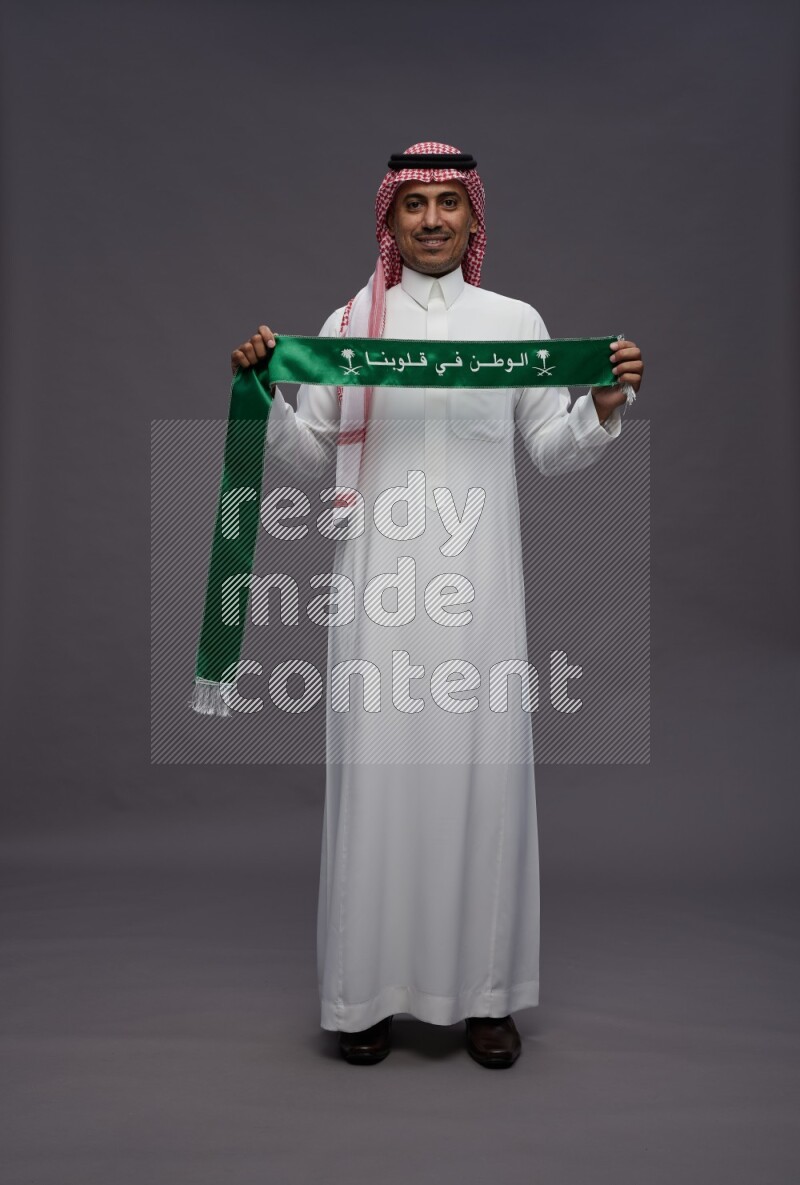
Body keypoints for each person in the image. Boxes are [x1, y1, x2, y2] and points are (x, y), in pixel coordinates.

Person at [231, 142, 644, 1068]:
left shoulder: (514, 322)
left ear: (472, 217)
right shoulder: (350, 323)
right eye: (412, 204)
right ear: (389, 218)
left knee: (482, 786)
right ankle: (364, 996)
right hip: (375, 593)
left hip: (481, 601)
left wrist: (605, 406)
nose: (429, 220)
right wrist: (265, 397)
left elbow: (552, 449)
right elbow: (310, 457)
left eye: (446, 203)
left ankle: (487, 999)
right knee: (377, 787)